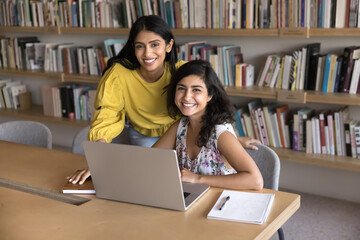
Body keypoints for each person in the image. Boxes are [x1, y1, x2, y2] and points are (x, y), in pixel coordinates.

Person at [68, 15, 260, 185]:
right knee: (153, 182)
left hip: (188, 136)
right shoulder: (119, 75)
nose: (147, 53)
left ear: (168, 45)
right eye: (139, 46)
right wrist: (100, 163)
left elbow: (211, 106)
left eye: (154, 45)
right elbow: (108, 115)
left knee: (183, 178)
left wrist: (228, 140)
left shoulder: (183, 72)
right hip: (159, 135)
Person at [153, 60, 263, 190]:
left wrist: (197, 179)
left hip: (221, 203)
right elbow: (149, 159)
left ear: (210, 95)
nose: (187, 97)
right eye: (181, 88)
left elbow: (255, 181)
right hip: (191, 201)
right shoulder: (181, 126)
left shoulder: (221, 133)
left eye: (196, 90)